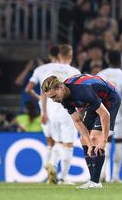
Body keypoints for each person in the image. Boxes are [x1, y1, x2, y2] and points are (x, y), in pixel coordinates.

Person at [42, 73, 121, 189]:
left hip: (110, 99)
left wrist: (104, 141)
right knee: (84, 140)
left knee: (96, 138)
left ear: (61, 87)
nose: (54, 100)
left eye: (54, 96)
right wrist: (89, 144)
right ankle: (92, 181)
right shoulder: (63, 98)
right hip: (95, 100)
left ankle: (95, 182)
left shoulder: (83, 92)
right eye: (51, 98)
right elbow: (77, 121)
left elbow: (105, 115)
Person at [25, 45, 80, 184]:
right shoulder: (74, 71)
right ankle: (63, 177)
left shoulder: (48, 70)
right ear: (71, 56)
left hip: (51, 113)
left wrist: (44, 112)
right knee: (68, 144)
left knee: (58, 142)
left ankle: (52, 165)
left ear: (58, 55)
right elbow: (77, 94)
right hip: (68, 111)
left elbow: (43, 93)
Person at [97, 51, 122, 183]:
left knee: (104, 144)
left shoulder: (101, 75)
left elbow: (94, 96)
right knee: (118, 144)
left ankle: (102, 175)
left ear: (108, 59)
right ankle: (116, 176)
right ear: (120, 60)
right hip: (119, 115)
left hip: (103, 115)